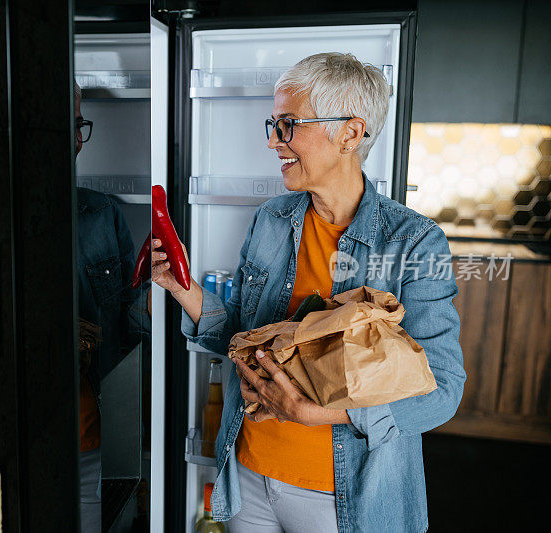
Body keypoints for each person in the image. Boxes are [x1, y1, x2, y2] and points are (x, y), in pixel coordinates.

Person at [151, 53, 465, 533]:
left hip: (344, 496)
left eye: (288, 124)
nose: (274, 141)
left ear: (351, 133)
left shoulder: (413, 242)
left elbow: (441, 390)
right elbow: (241, 336)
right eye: (274, 125)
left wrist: (322, 414)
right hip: (250, 474)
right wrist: (181, 287)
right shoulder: (272, 220)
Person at [74, 81, 151, 533]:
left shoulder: (102, 215)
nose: (74, 140)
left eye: (79, 125)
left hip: (93, 436)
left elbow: (128, 329)